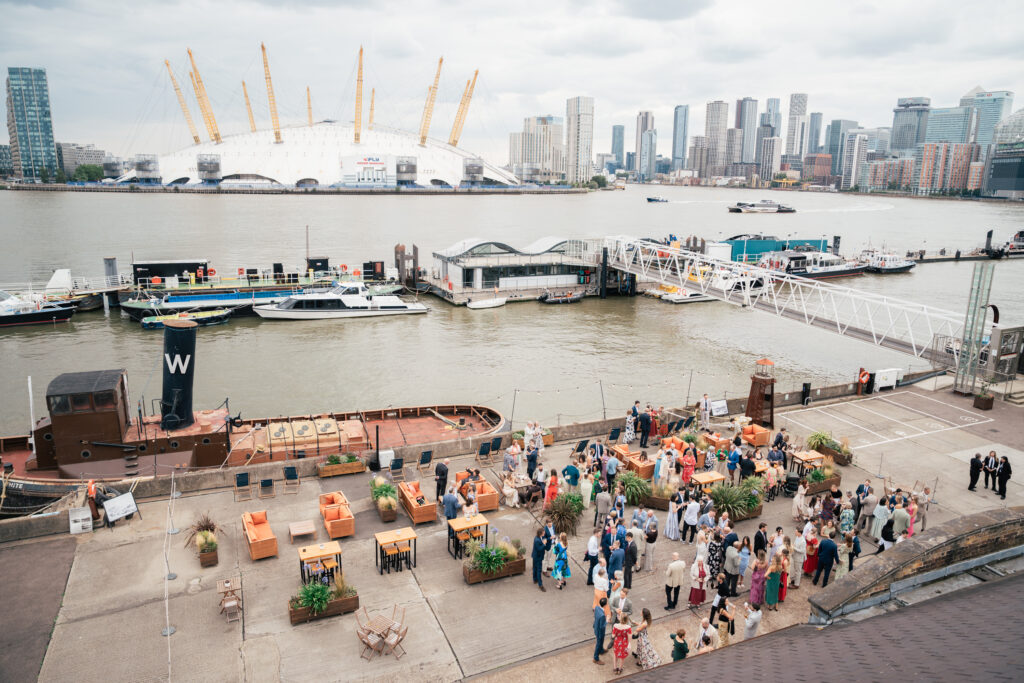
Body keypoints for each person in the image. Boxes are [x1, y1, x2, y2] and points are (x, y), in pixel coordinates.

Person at [593, 598, 608, 666]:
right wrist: (607, 620)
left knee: (601, 641)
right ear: (605, 605)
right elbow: (602, 626)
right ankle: (596, 658)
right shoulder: (602, 616)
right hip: (600, 631)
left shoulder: (596, 608)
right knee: (598, 643)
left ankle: (601, 650)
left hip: (596, 627)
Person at [531, 528, 546, 592]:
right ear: (541, 533)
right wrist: (544, 544)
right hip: (538, 557)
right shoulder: (537, 540)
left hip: (535, 556)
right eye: (543, 532)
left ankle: (535, 579)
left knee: (534, 568)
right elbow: (539, 549)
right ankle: (540, 585)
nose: (544, 533)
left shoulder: (538, 537)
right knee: (539, 570)